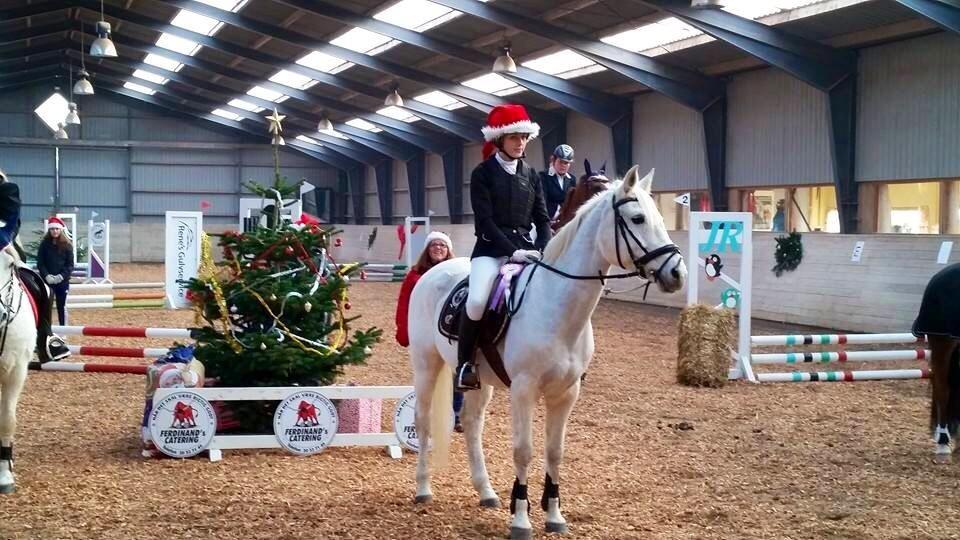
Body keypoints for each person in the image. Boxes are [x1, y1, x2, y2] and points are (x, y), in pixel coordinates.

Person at [455, 104, 552, 391]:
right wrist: (512, 251)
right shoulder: (482, 173)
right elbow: (485, 222)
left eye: (523, 137)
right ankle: (465, 365)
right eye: (513, 137)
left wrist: (541, 248)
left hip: (527, 251)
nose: (520, 142)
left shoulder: (532, 174)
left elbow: (543, 218)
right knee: (475, 301)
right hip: (490, 251)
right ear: (499, 140)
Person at [394, 231, 465, 430]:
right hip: (424, 331)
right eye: (434, 245)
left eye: (442, 245)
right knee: (428, 373)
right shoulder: (415, 275)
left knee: (454, 374)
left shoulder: (457, 274)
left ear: (448, 250)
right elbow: (404, 304)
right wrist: (403, 329)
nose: (438, 248)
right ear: (427, 249)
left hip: (448, 329)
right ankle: (428, 413)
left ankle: (455, 414)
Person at [0, 169, 70, 363]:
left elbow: (7, 225)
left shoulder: (7, 191)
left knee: (44, 289)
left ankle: (45, 340)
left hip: (3, 248)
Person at [36, 216, 74, 327]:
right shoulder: (44, 245)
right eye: (52, 229)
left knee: (61, 306)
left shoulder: (67, 245)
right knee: (46, 306)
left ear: (60, 230)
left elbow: (70, 265)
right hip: (47, 281)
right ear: (49, 230)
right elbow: (40, 263)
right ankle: (47, 328)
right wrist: (46, 275)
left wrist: (61, 276)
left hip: (62, 281)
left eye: (57, 229)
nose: (55, 231)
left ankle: (63, 328)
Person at [539, 144, 577, 221]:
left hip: (566, 221)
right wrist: (546, 223)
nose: (563, 165)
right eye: (560, 162)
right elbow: (541, 203)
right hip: (547, 220)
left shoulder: (572, 179)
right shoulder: (543, 176)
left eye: (566, 163)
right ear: (553, 160)